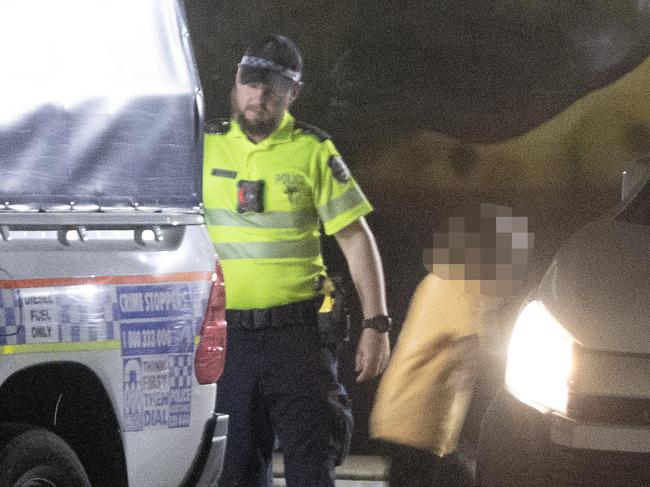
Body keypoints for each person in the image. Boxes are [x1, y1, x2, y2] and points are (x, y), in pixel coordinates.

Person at [202, 35, 392, 487]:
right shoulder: (204, 146)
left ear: (294, 92)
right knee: (235, 472)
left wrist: (377, 324)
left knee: (311, 468)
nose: (258, 96)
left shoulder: (312, 150)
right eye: (251, 83)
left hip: (298, 340)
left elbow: (354, 238)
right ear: (236, 80)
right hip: (228, 342)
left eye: (272, 87)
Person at [370, 202, 533, 486]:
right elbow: (473, 346)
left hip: (421, 420)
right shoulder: (459, 281)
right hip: (418, 421)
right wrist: (528, 366)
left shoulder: (448, 278)